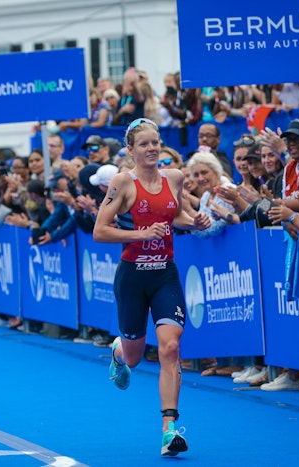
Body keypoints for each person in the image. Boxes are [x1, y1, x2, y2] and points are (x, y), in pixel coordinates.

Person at [92, 117, 210, 457]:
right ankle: (118, 352)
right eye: (144, 144)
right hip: (132, 276)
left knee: (170, 347)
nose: (152, 148)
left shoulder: (174, 177)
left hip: (164, 275)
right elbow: (100, 231)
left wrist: (195, 222)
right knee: (134, 356)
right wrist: (140, 234)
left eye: (155, 142)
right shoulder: (122, 183)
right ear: (130, 150)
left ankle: (169, 430)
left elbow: (177, 217)